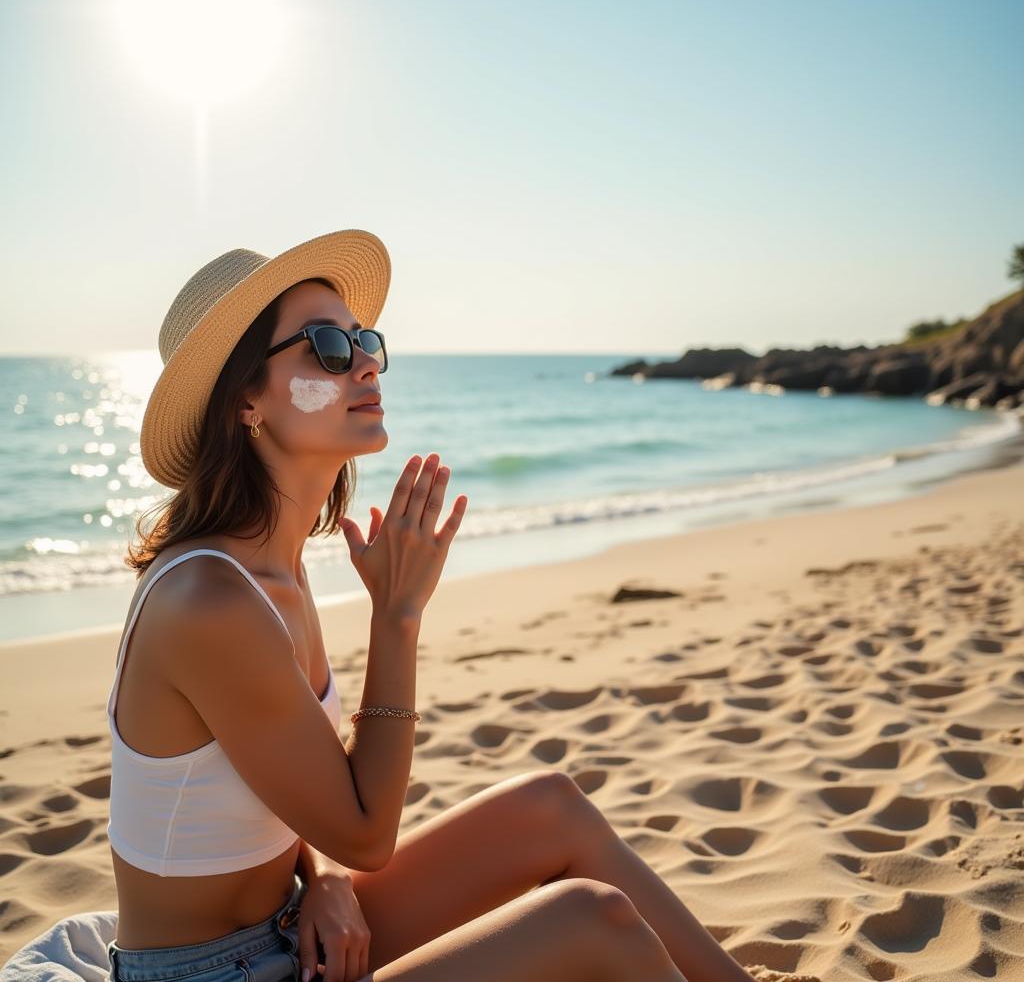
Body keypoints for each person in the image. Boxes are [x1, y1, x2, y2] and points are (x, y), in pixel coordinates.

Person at [103, 229, 755, 982]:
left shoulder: (271, 562)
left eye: (365, 341)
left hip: (292, 930)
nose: (368, 363)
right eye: (327, 347)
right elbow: (368, 833)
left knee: (551, 807)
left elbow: (278, 783)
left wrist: (323, 882)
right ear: (246, 399)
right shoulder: (210, 600)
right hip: (211, 974)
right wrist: (397, 615)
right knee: (593, 919)